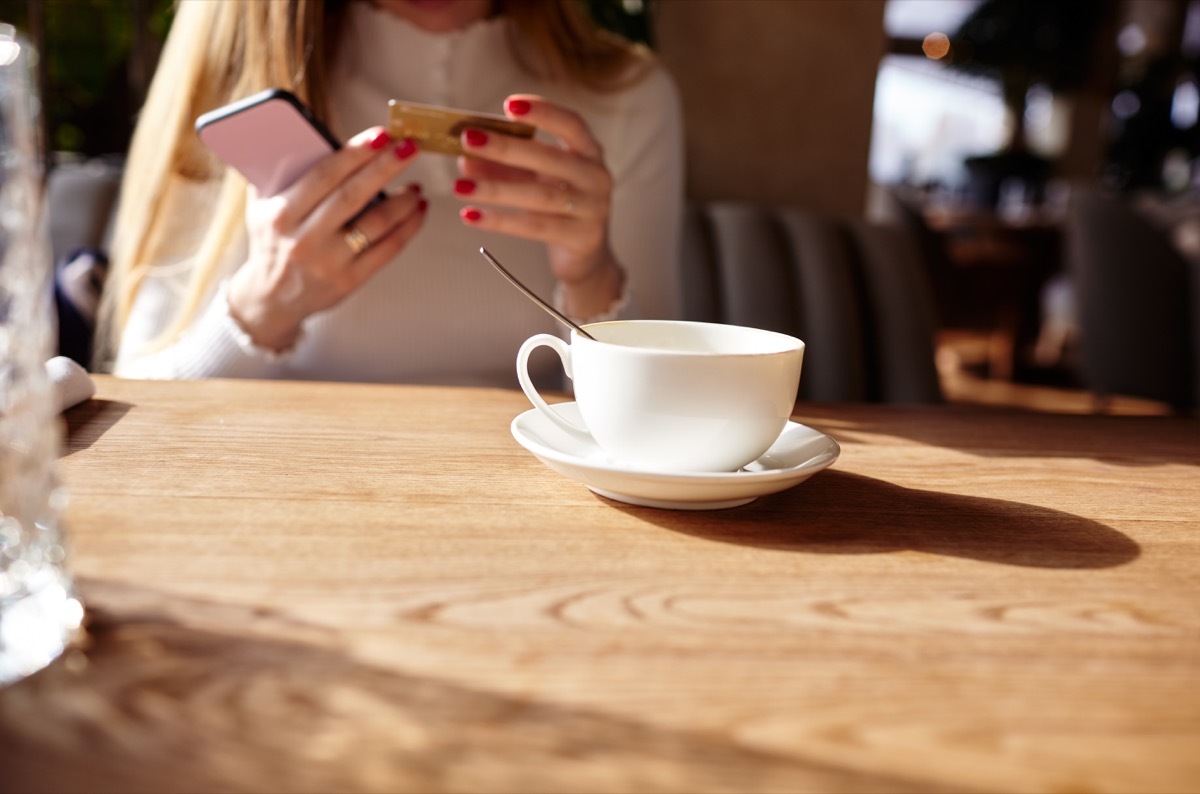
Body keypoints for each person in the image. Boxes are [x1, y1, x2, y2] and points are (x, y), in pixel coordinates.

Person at [96, 0, 684, 387]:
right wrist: (262, 309)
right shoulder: (235, 81)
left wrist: (591, 280)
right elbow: (142, 406)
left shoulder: (628, 97)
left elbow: (671, 407)